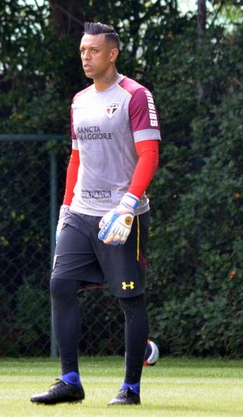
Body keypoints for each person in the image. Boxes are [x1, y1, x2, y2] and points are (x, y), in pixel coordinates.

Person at [30, 21, 161, 406]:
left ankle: (131, 389)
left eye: (94, 51)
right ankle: (70, 381)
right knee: (60, 285)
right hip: (81, 213)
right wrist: (65, 208)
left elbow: (149, 155)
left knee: (129, 300)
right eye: (83, 50)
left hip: (121, 215)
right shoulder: (79, 100)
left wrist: (127, 206)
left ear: (112, 54)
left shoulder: (135, 96)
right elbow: (76, 157)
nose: (86, 57)